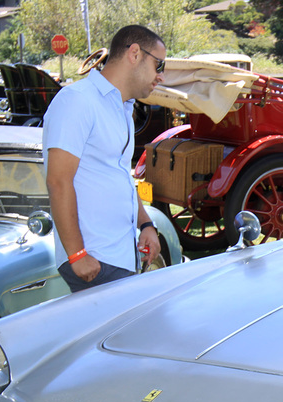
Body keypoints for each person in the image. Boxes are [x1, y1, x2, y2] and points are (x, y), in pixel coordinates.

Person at [43, 25, 165, 293]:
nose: (161, 76)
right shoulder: (77, 100)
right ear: (134, 53)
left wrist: (145, 223)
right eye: (159, 64)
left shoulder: (122, 107)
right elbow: (58, 181)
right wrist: (76, 255)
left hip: (117, 255)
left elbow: (119, 176)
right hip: (94, 259)